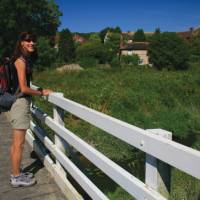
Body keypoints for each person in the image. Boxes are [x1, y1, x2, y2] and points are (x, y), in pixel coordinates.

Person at [9, 32, 52, 187]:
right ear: (21, 42)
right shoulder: (20, 61)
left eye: (34, 40)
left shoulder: (22, 59)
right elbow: (24, 88)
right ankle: (16, 177)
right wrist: (41, 93)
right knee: (19, 143)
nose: (32, 42)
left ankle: (16, 172)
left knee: (16, 143)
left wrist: (37, 89)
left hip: (18, 103)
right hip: (20, 103)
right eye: (28, 40)